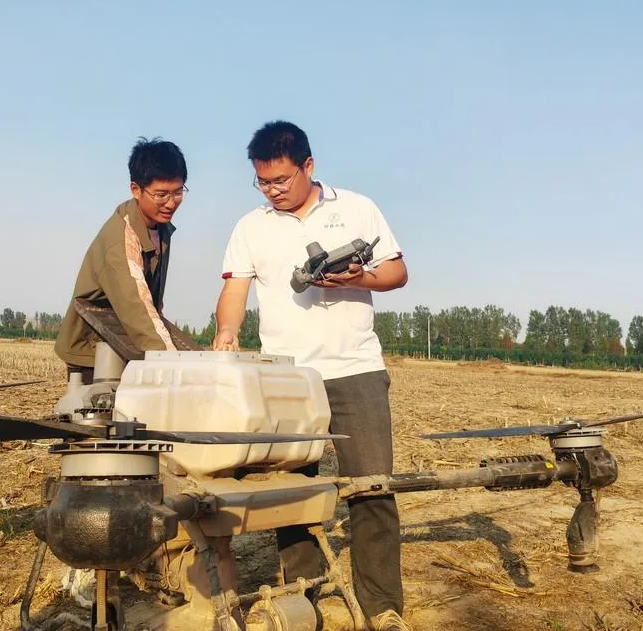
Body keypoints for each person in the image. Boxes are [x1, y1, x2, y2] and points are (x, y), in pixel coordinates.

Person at [212, 120, 411, 631]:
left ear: (308, 166)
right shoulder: (250, 226)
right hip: (286, 378)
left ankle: (382, 607)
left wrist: (359, 278)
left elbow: (397, 272)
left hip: (355, 368)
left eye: (281, 180)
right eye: (263, 182)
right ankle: (304, 597)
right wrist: (228, 334)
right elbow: (235, 288)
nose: (273, 191)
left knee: (371, 487)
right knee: (291, 492)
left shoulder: (357, 208)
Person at [54, 136, 188, 379]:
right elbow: (137, 308)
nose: (171, 203)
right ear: (136, 190)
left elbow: (150, 304)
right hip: (93, 351)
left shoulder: (160, 228)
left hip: (125, 340)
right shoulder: (120, 240)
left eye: (178, 192)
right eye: (161, 195)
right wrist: (173, 367)